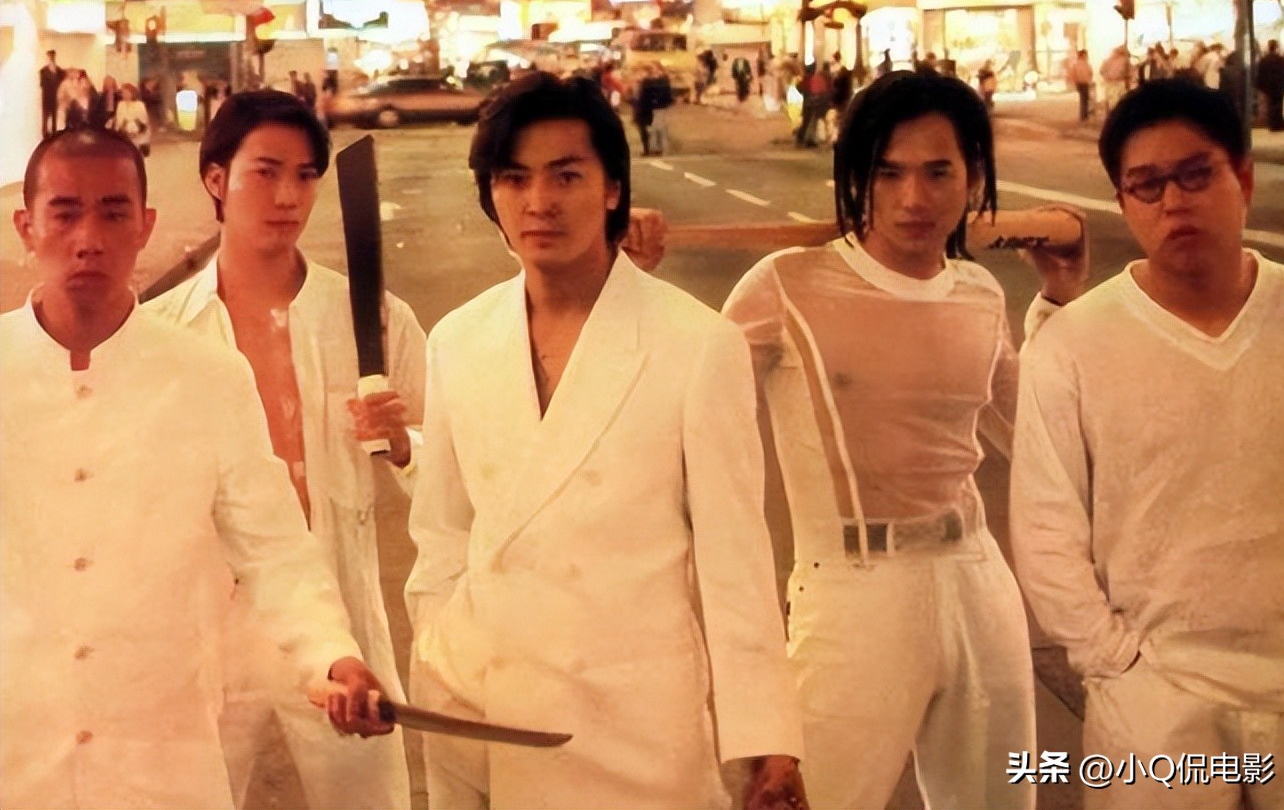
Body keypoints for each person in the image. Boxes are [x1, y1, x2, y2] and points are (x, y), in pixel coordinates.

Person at [405, 72, 806, 809]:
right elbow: (442, 531)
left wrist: (766, 738)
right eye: (514, 178)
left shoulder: (694, 343)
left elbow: (736, 561)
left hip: (632, 727)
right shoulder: (458, 339)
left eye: (566, 176)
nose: (539, 201)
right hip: (483, 705)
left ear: (613, 188)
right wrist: (437, 653)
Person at [722, 70, 1089, 810]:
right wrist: (625, 271)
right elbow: (681, 407)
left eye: (937, 172)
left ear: (973, 176)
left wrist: (1058, 300)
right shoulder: (785, 286)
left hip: (977, 581)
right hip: (851, 592)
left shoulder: (978, 292)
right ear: (858, 177)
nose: (913, 199)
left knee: (997, 801)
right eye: (888, 173)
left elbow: (1042, 436)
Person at [1, 127, 392, 809]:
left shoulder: (207, 377)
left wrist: (330, 652)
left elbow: (274, 548)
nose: (88, 238)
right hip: (17, 739)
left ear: (146, 226)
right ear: (25, 226)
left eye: (113, 213)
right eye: (64, 213)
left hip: (161, 748)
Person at [1011, 79, 1284, 810]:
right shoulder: (1072, 346)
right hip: (1158, 709)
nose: (1174, 202)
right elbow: (1045, 530)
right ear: (1124, 200)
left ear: (1243, 179)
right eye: (1147, 185)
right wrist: (1117, 664)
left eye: (1196, 175)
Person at [145, 91, 420, 810]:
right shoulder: (162, 333)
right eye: (265, 172)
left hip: (336, 615)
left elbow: (449, 477)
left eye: (304, 176)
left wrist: (401, 443)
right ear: (215, 178)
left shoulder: (371, 320)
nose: (288, 196)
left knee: (364, 798)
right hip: (206, 622)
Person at [1258, 39, 1284, 131]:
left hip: (1268, 86)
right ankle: (1278, 123)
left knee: (1270, 104)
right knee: (1279, 105)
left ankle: (1272, 124)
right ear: (1276, 47)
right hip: (1279, 85)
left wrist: (1260, 86)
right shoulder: (1281, 60)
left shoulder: (1264, 60)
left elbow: (1261, 74)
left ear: (1269, 48)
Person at [111, 82, 152, 157]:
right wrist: (126, 128)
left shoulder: (140, 105)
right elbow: (119, 120)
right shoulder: (120, 104)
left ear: (132, 93)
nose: (125, 95)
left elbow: (143, 120)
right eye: (123, 93)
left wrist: (135, 129)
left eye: (127, 93)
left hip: (139, 133)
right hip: (125, 134)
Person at [39, 49, 65, 137]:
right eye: (50, 56)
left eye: (53, 56)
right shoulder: (43, 71)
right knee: (45, 118)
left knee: (54, 117)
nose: (51, 58)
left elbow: (62, 83)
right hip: (46, 98)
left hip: (55, 97)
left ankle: (53, 134)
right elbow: (42, 84)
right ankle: (45, 135)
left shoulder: (59, 71)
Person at [1099, 46, 1132, 114]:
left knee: (1111, 103)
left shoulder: (1107, 60)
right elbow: (1128, 74)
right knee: (1117, 103)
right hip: (1117, 83)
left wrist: (1106, 76)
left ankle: (1111, 116)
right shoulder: (1125, 60)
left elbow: (1101, 71)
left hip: (1112, 83)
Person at [1070, 48, 1095, 121]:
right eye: (1085, 55)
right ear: (1081, 55)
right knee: (1084, 99)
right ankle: (1084, 115)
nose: (1086, 56)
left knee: (1084, 99)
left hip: (1083, 83)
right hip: (1082, 83)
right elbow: (1090, 73)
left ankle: (1084, 115)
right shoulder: (1083, 64)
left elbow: (1090, 73)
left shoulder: (1081, 64)